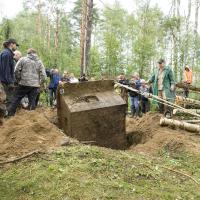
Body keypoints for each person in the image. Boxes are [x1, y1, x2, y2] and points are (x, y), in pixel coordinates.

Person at [8, 48, 46, 116]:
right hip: (34, 86)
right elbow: (44, 75)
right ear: (35, 53)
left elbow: (16, 70)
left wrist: (18, 79)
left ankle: (10, 116)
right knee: (32, 102)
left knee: (16, 99)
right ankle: (32, 117)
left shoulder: (23, 59)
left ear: (28, 53)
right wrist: (39, 83)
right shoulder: (39, 62)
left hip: (23, 83)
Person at [0, 39, 19, 109]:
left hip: (4, 81)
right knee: (9, 100)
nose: (16, 47)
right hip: (5, 82)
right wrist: (10, 82)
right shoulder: (7, 54)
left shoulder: (6, 53)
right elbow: (6, 70)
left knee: (6, 100)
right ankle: (8, 118)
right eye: (15, 45)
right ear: (11, 44)